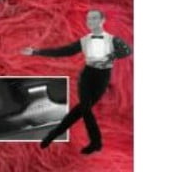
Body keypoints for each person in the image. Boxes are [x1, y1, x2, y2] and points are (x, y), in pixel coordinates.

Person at [21, 9, 131, 154]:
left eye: (94, 18)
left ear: (102, 20)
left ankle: (54, 134)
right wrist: (36, 52)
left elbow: (127, 51)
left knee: (81, 110)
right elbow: (64, 51)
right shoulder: (85, 40)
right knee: (85, 109)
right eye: (89, 19)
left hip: (102, 77)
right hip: (87, 75)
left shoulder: (112, 39)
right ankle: (94, 142)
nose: (91, 21)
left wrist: (111, 56)